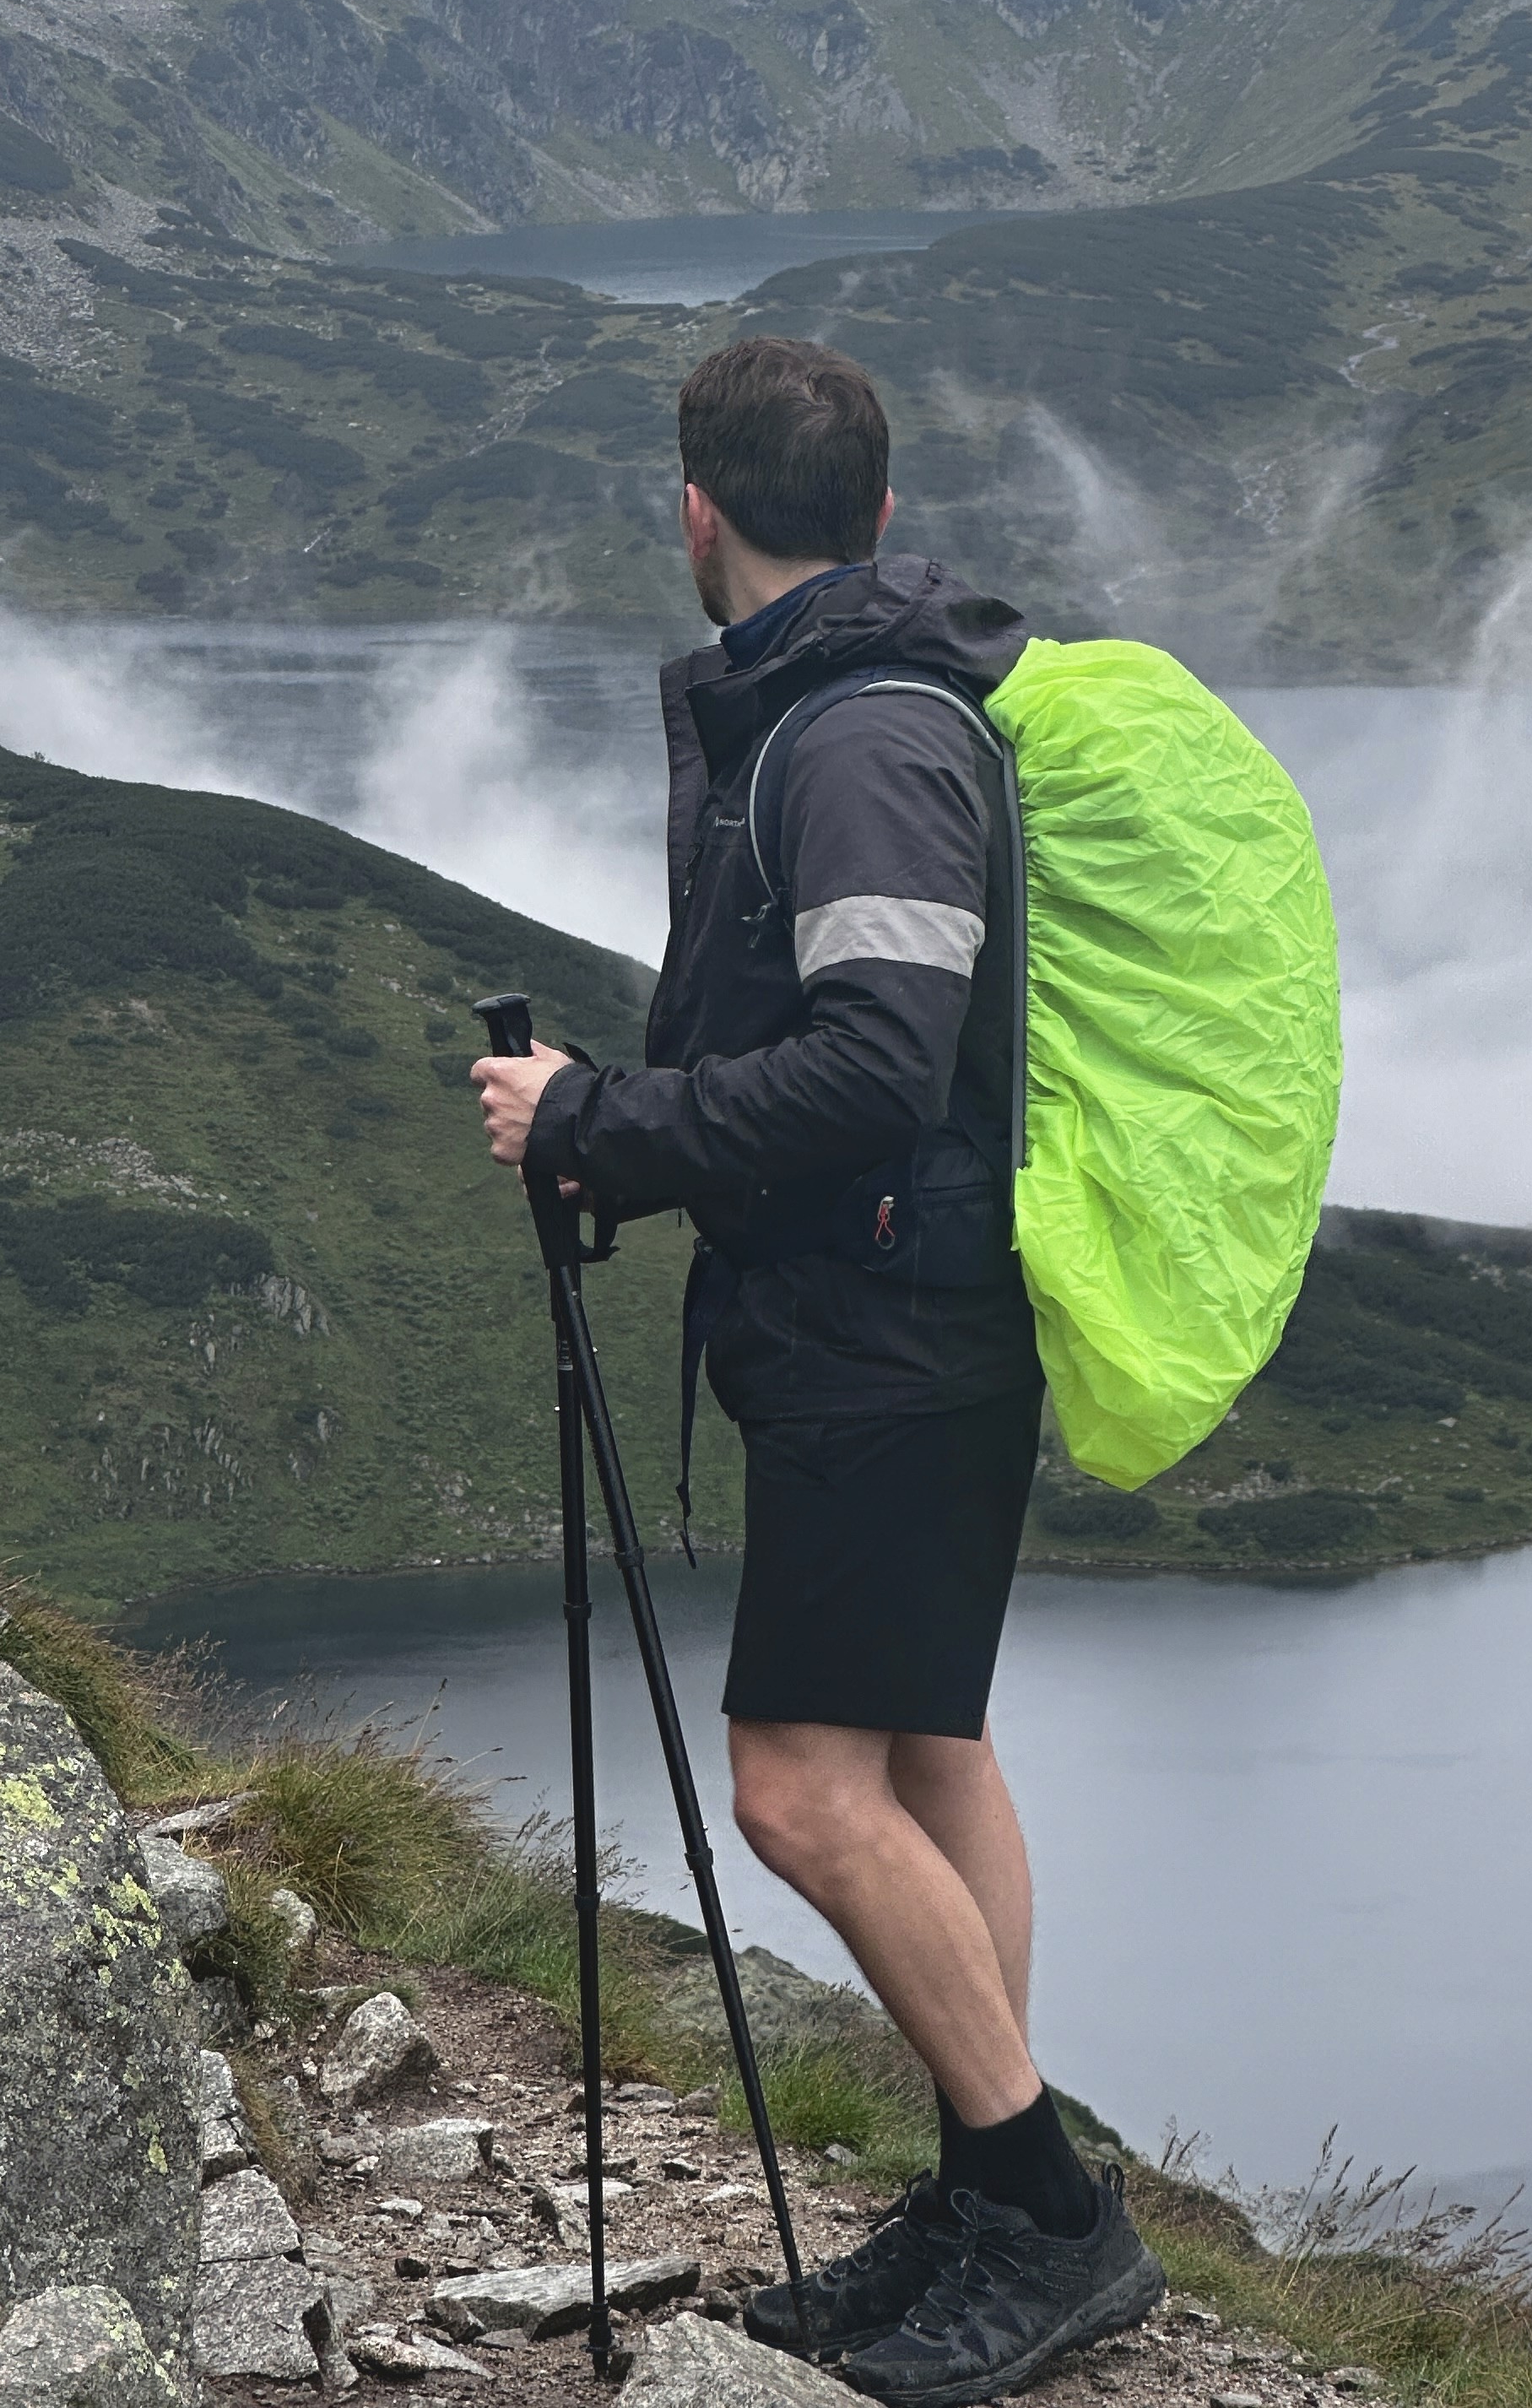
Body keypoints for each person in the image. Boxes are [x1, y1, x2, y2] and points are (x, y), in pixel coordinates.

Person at [473, 333, 1163, 2405]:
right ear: (869, 510)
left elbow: (878, 1065)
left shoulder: (859, 740)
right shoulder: (844, 707)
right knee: (927, 1752)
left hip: (895, 1339)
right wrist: (644, 1140)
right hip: (901, 1316)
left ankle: (1049, 2217)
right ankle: (978, 2189)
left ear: (700, 514)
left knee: (794, 1787)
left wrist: (603, 1123)